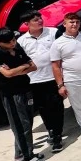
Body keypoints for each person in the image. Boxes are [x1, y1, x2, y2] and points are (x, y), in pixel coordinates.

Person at [0, 28, 49, 161]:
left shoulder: (18, 49)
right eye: (8, 42)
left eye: (13, 40)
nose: (12, 43)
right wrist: (23, 67)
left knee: (28, 123)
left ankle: (20, 154)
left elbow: (33, 67)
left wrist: (16, 70)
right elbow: (8, 74)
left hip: (25, 90)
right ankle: (28, 157)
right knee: (20, 126)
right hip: (12, 95)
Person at [17, 10, 65, 151]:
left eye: (40, 18)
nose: (39, 21)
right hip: (35, 80)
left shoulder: (53, 32)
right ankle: (51, 130)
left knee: (57, 106)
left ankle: (57, 135)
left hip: (54, 77)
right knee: (43, 108)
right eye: (35, 19)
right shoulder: (21, 41)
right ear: (27, 24)